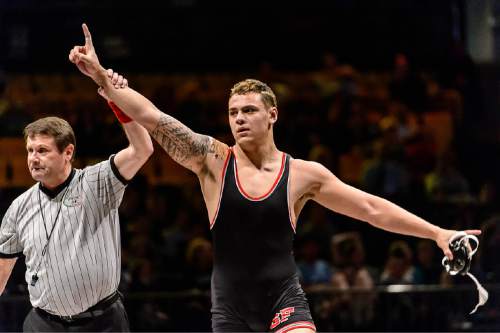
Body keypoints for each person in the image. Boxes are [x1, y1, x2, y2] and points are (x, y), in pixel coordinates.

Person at [69, 23, 481, 333]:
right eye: (233, 112)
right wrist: (103, 80)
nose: (239, 119)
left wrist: (437, 233)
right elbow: (153, 118)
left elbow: (372, 209)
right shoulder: (212, 159)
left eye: (248, 110)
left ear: (272, 114)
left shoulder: (303, 175)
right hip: (229, 307)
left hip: (285, 299)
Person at [0, 74, 154, 332]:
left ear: (67, 152)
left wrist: (117, 101)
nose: (33, 158)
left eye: (42, 150)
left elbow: (143, 149)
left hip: (103, 322)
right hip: (43, 324)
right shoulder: (19, 207)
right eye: (30, 150)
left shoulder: (98, 182)